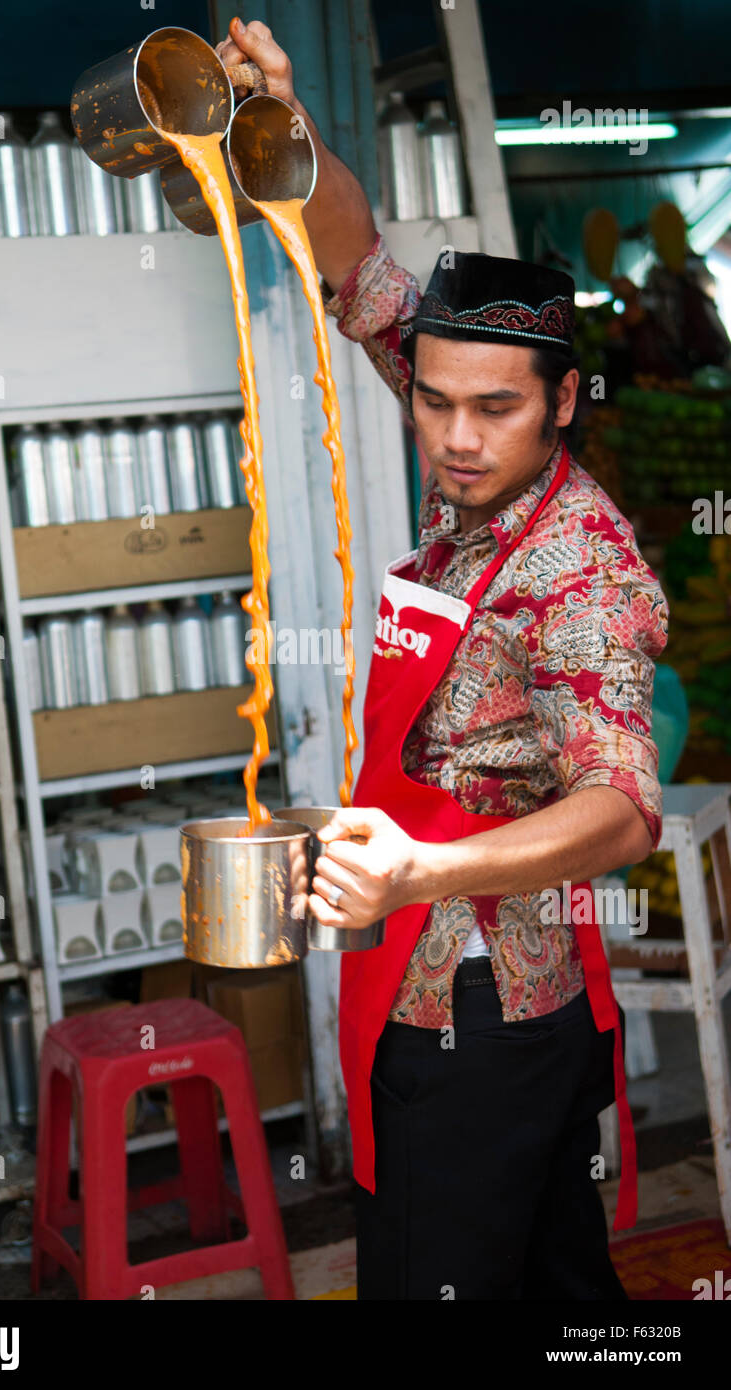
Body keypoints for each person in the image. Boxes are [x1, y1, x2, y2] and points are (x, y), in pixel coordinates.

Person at [217, 17, 669, 1301]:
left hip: (483, 1016)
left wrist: (423, 864)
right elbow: (353, 256)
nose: (454, 438)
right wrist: (287, 128)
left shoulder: (578, 574)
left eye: (496, 408)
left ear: (565, 401)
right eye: (432, 399)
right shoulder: (467, 470)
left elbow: (621, 806)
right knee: (555, 1283)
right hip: (427, 982)